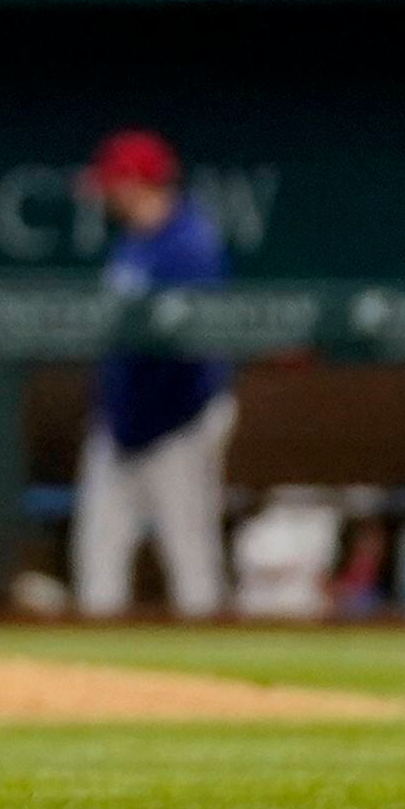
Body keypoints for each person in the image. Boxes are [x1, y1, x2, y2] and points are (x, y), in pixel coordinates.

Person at [73, 130, 234, 618]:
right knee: (98, 553)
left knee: (191, 559)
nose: (104, 196)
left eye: (112, 183)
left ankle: (209, 682)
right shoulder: (132, 245)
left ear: (136, 183)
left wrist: (154, 421)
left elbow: (193, 352)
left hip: (177, 423)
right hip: (122, 422)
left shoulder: (189, 246)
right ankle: (97, 681)